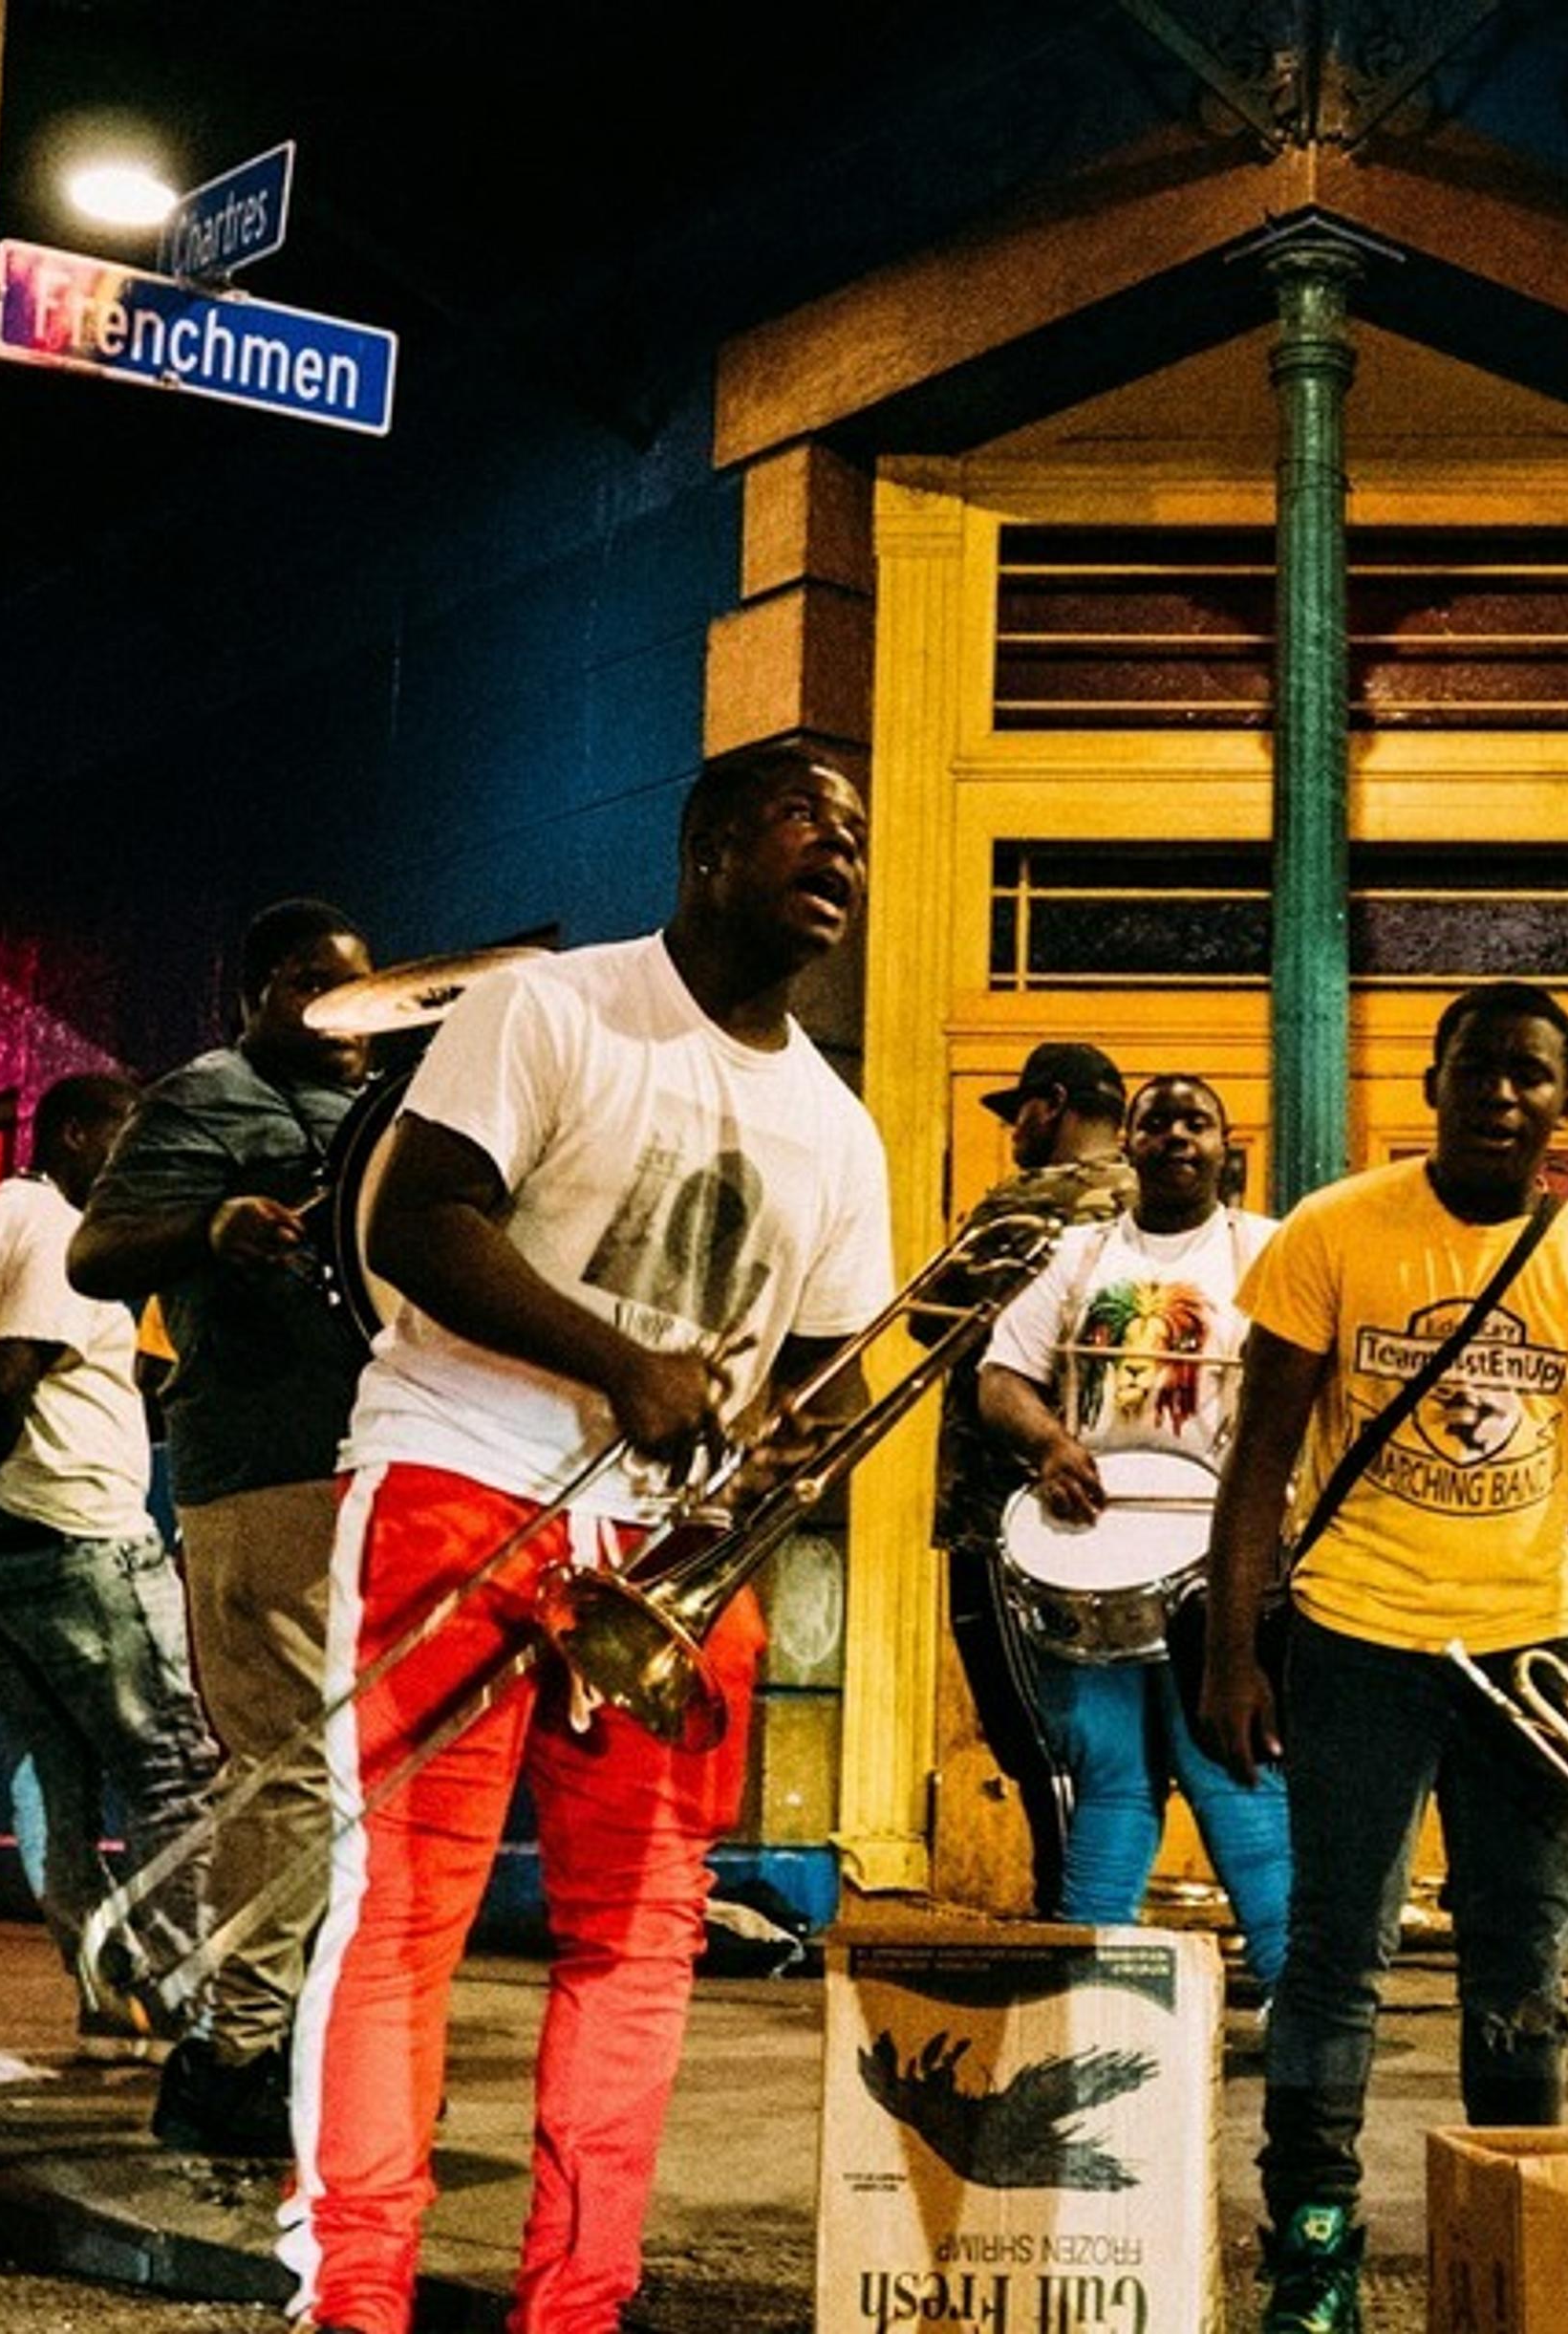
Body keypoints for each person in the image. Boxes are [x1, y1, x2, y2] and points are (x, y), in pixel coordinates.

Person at [279, 742, 892, 2334]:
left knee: (639, 1938)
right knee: (404, 1907)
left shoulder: (842, 1130)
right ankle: (357, 2294)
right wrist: (622, 1362)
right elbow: (415, 1218)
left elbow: (827, 1372)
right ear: (705, 847)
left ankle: (579, 2302)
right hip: (465, 1475)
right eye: (803, 818)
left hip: (673, 1554)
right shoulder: (553, 1008)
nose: (839, 849)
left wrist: (804, 1443)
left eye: (857, 834)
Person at [1196, 983, 1568, 2334]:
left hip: (1532, 1647)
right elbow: (1257, 1462)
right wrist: (1233, 1653)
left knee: (1521, 1965)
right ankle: (1312, 2250)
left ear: (1564, 1103)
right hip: (1359, 1635)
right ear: (1433, 1084)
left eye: (1531, 1074)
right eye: (1479, 1068)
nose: (1502, 1094)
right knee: (1333, 1954)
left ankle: (1509, 2243)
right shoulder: (1335, 1227)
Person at [68, 896, 378, 2156]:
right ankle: (233, 2054)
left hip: (372, 1464)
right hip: (259, 1467)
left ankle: (307, 2040)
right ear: (253, 997)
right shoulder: (207, 1096)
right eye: (311, 983)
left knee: (353, 1774)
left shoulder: (374, 1111)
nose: (344, 1009)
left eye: (360, 985)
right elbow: (97, 1253)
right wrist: (210, 1224)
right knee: (293, 1768)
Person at [975, 1070, 1293, 1997]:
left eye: (1198, 1121)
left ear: (1226, 1147)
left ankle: (1299, 2002)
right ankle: (1086, 2003)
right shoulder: (1076, 1257)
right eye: (1158, 1122)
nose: (1177, 1136)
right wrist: (1049, 1445)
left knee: (1229, 1768)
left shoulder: (1265, 1252)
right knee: (1111, 1775)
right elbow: (1000, 1379)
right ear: (1131, 1143)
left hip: (1219, 1556)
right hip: (1095, 1545)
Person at [0, 1071, 224, 2056]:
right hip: (84, 1535)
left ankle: (108, 1995)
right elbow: (11, 1377)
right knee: (176, 1768)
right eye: (124, 1138)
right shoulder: (57, 1233)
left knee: (56, 1784)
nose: (135, 1162)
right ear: (73, 1134)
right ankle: (196, 2010)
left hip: (15, 1546)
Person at [934, 1038, 1129, 1906]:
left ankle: (1063, 1905)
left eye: (1021, 1112)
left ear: (1050, 1105)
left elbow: (931, 1321)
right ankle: (1096, 1896)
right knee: (1106, 1722)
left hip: (1000, 1507)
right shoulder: (1165, 1210)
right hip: (1123, 1512)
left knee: (1028, 1721)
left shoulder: (1024, 1202)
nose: (1016, 1130)